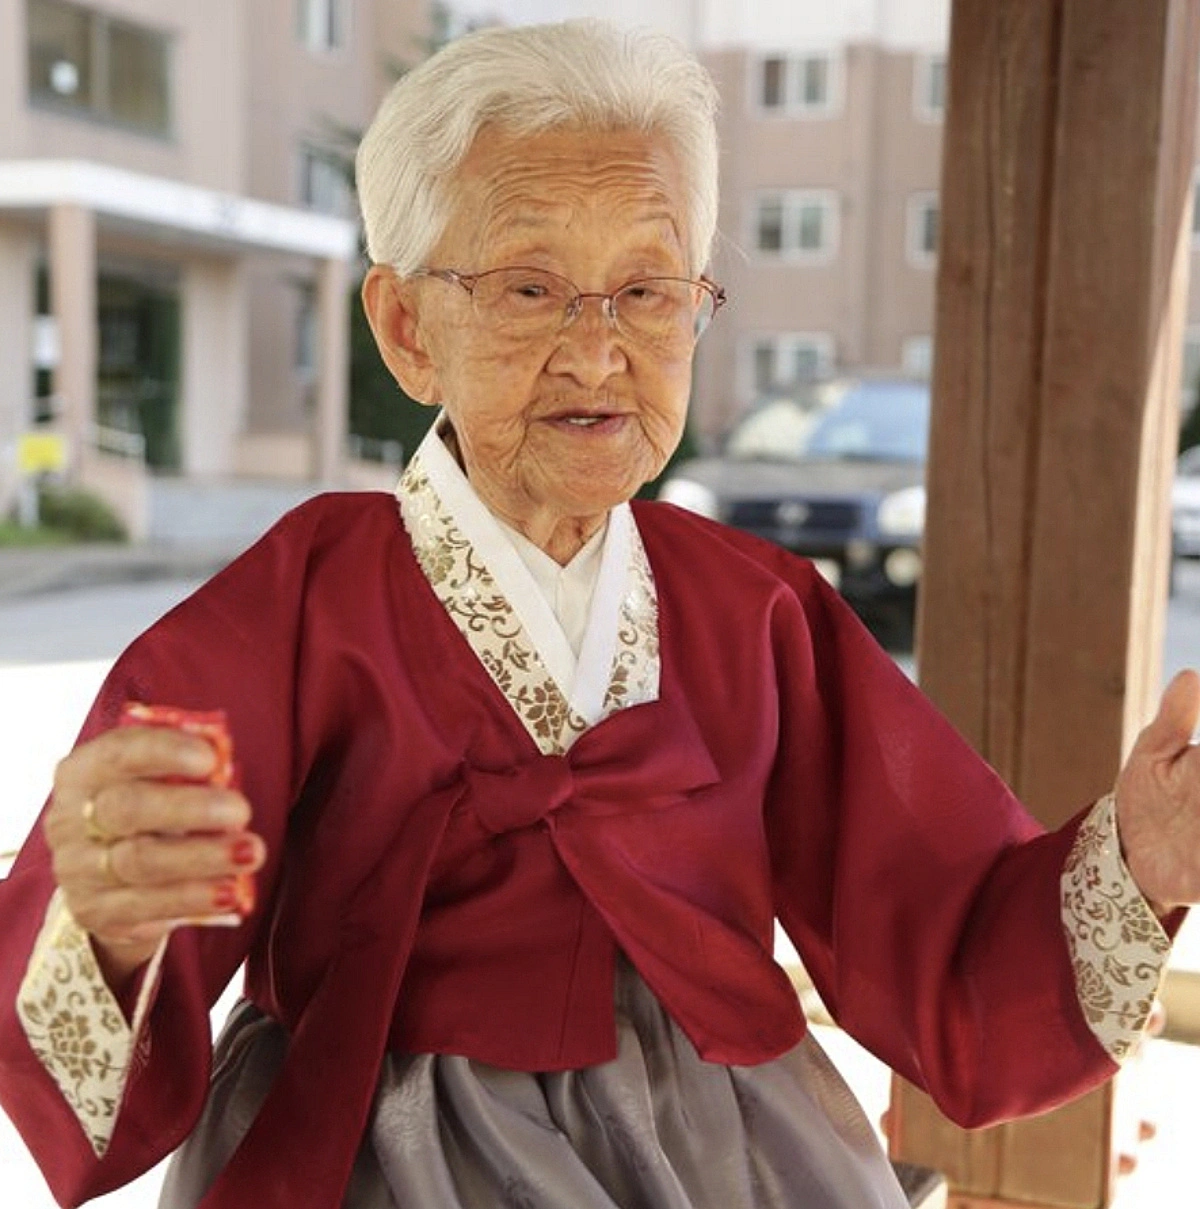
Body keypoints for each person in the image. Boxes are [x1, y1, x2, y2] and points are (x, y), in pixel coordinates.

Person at [1, 18, 1197, 1209]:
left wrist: (1145, 859)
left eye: (646, 289)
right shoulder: (301, 600)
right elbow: (133, 861)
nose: (599, 351)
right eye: (531, 288)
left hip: (730, 1145)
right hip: (374, 1143)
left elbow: (943, 925)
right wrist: (105, 921)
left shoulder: (755, 608)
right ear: (407, 328)